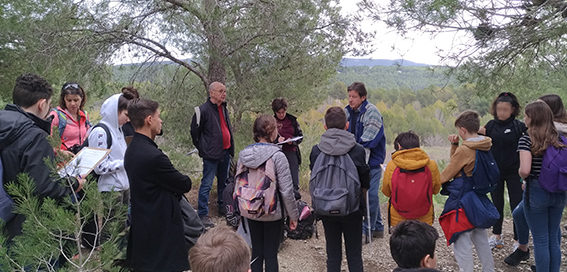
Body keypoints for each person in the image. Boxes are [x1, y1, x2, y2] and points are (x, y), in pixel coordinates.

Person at [0, 73, 84, 241]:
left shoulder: (6, 122)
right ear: (42, 104)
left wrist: (53, 152)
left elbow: (13, 156)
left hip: (7, 215)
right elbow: (44, 186)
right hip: (28, 225)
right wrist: (75, 183)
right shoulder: (35, 135)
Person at [125, 98, 192, 271]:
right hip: (160, 229)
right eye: (158, 116)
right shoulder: (153, 157)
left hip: (143, 225)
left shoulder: (132, 149)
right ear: (149, 120)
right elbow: (184, 184)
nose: (161, 120)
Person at [504, 94, 567, 267]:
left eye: (526, 115)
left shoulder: (527, 139)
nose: (524, 118)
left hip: (537, 191)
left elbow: (525, 170)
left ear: (533, 118)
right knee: (553, 238)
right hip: (560, 191)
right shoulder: (559, 138)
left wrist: (520, 174)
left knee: (540, 240)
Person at [309, 106, 369, 272]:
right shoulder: (357, 150)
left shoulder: (316, 150)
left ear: (325, 127)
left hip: (326, 207)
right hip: (352, 209)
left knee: (333, 255)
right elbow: (365, 182)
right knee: (355, 255)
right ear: (347, 125)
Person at [236, 114, 298, 272]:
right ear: (273, 132)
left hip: (250, 208)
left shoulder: (244, 155)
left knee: (256, 251)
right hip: (272, 211)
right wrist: (293, 215)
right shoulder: (278, 156)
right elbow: (286, 190)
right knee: (271, 254)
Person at [440, 110, 495, 272]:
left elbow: (448, 173)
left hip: (462, 200)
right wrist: (454, 146)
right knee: (481, 239)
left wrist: (430, 183)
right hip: (478, 197)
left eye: (459, 130)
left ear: (463, 130)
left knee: (462, 242)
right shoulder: (485, 145)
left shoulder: (466, 150)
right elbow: (461, 166)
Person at [478, 92, 526, 250]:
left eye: (505, 109)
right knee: (496, 203)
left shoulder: (519, 126)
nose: (502, 112)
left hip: (515, 171)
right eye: (499, 109)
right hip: (495, 171)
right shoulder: (490, 126)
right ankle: (496, 235)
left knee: (516, 205)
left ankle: (518, 239)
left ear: (512, 109)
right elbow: (478, 142)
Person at [344, 82, 386, 239]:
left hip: (371, 162)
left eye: (354, 97)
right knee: (365, 195)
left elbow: (369, 140)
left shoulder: (372, 112)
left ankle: (366, 230)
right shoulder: (347, 112)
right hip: (354, 160)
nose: (350, 100)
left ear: (363, 97)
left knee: (370, 195)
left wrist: (348, 147)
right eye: (349, 96)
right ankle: (378, 227)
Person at [190, 81, 234, 228]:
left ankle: (222, 207)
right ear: (212, 93)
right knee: (207, 184)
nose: (224, 94)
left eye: (225, 91)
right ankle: (203, 213)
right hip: (211, 155)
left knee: (224, 182)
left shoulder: (224, 108)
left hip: (225, 151)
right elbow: (195, 133)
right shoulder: (203, 110)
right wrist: (204, 149)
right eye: (221, 91)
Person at [382, 131, 441, 229]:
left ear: (399, 146)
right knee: (424, 243)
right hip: (424, 217)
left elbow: (386, 191)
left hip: (398, 219)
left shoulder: (392, 165)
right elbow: (436, 190)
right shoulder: (431, 165)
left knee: (401, 243)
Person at [272, 97, 303, 200]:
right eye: (279, 112)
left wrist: (292, 141)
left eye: (283, 112)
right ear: (275, 112)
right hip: (276, 153)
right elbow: (266, 138)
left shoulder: (292, 120)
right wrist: (277, 140)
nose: (281, 114)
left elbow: (300, 136)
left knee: (294, 179)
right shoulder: (271, 122)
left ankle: (296, 200)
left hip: (291, 152)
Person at [49, 82, 91, 154]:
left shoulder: (84, 115)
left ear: (81, 99)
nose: (73, 104)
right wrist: (61, 153)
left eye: (76, 100)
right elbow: (48, 141)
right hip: (61, 161)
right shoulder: (56, 116)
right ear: (63, 100)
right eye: (69, 100)